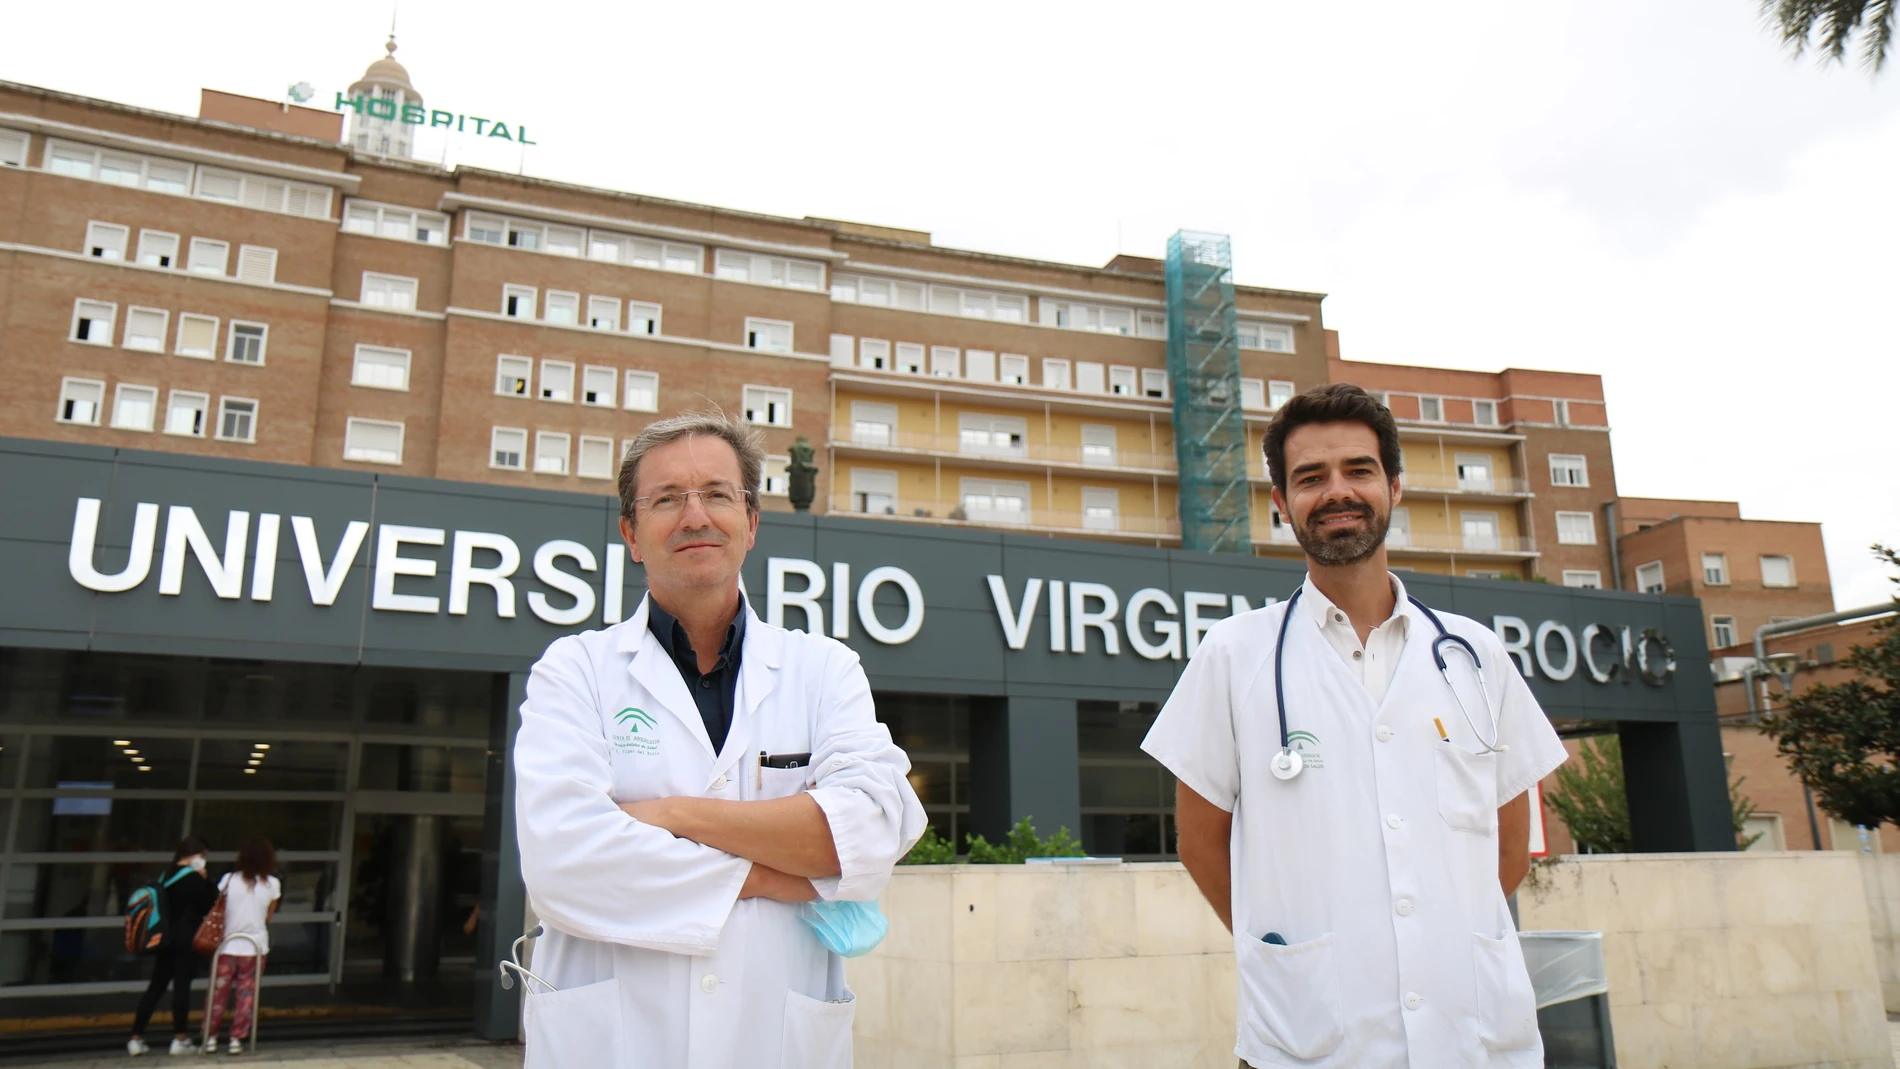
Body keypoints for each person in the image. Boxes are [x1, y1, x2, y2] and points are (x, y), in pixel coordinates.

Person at [1141, 384, 1569, 1068]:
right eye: (1311, 477)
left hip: (1475, 1041)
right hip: (1306, 1043)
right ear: (1281, 504)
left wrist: (1438, 940)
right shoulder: (1235, 654)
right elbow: (1200, 844)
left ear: (1394, 486)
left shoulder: (1475, 654)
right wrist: (1288, 955)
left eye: (1359, 470)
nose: (1337, 490)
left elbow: (1509, 842)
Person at [514, 411, 926, 1068]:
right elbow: (566, 864)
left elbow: (875, 825)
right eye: (667, 499)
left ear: (752, 521)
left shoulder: (823, 669)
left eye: (717, 493)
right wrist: (785, 871)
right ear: (632, 532)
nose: (695, 515)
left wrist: (675, 815)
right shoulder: (575, 671)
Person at [127, 836, 217, 1056]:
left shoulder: (165, 876)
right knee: (181, 988)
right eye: (203, 855)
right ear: (197, 855)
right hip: (187, 941)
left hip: (165, 940)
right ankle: (180, 1039)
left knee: (155, 987)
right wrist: (205, 879)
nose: (204, 860)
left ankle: (135, 1038)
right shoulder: (194, 879)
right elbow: (211, 903)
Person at [203, 836, 281, 1054]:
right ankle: (237, 1039)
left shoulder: (228, 880)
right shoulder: (273, 884)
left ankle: (210, 1037)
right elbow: (268, 916)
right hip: (255, 946)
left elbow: (219, 909)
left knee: (218, 994)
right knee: (246, 995)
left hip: (226, 946)